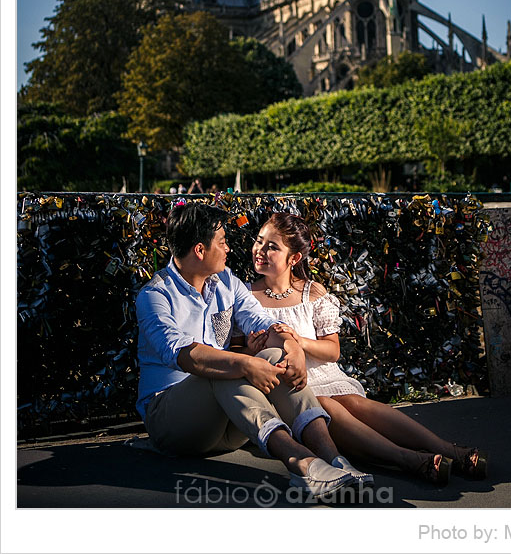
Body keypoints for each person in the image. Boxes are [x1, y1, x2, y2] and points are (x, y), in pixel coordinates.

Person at [135, 202, 372, 499]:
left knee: (270, 356)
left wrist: (291, 347)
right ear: (199, 250)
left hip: (229, 422)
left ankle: (334, 460)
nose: (229, 249)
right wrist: (245, 364)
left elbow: (261, 321)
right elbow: (184, 355)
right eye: (222, 242)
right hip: (173, 423)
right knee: (225, 368)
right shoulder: (154, 296)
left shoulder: (226, 283)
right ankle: (302, 464)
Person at [238, 212, 489, 486]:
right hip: (290, 389)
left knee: (354, 402)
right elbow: (239, 353)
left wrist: (298, 340)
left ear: (294, 258)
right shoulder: (246, 297)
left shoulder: (311, 292)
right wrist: (252, 350)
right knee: (327, 406)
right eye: (259, 241)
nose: (259, 251)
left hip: (326, 375)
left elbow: (332, 351)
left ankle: (447, 449)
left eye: (272, 246)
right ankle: (409, 459)